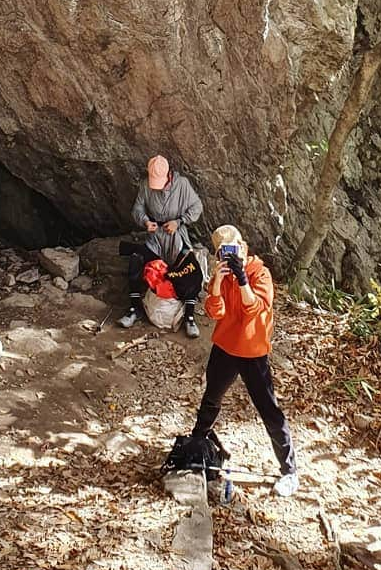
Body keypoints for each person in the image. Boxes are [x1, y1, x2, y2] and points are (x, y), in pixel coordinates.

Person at [190, 224, 298, 496]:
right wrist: (216, 282)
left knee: (269, 410)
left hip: (252, 352)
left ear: (244, 246)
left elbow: (256, 310)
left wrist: (242, 280)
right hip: (225, 347)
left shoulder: (260, 274)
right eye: (223, 251)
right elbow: (215, 312)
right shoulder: (223, 276)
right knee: (211, 398)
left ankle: (289, 471)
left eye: (234, 247)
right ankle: (196, 445)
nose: (231, 253)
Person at [119, 155, 203, 337]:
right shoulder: (145, 185)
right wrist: (146, 222)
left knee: (192, 269)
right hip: (155, 236)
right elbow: (138, 209)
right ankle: (134, 308)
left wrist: (179, 221)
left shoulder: (182, 185)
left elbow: (197, 207)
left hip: (176, 235)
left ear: (168, 176)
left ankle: (189, 316)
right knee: (136, 261)